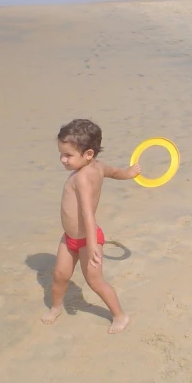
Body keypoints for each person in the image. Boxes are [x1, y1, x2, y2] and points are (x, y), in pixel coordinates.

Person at [41, 119, 138, 333]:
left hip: (88, 238)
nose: (62, 159)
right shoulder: (99, 167)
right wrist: (128, 173)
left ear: (88, 154)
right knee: (60, 275)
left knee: (95, 281)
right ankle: (56, 307)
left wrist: (93, 244)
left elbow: (87, 213)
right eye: (61, 153)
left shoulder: (81, 179)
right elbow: (114, 172)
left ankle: (120, 316)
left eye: (68, 155)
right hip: (69, 238)